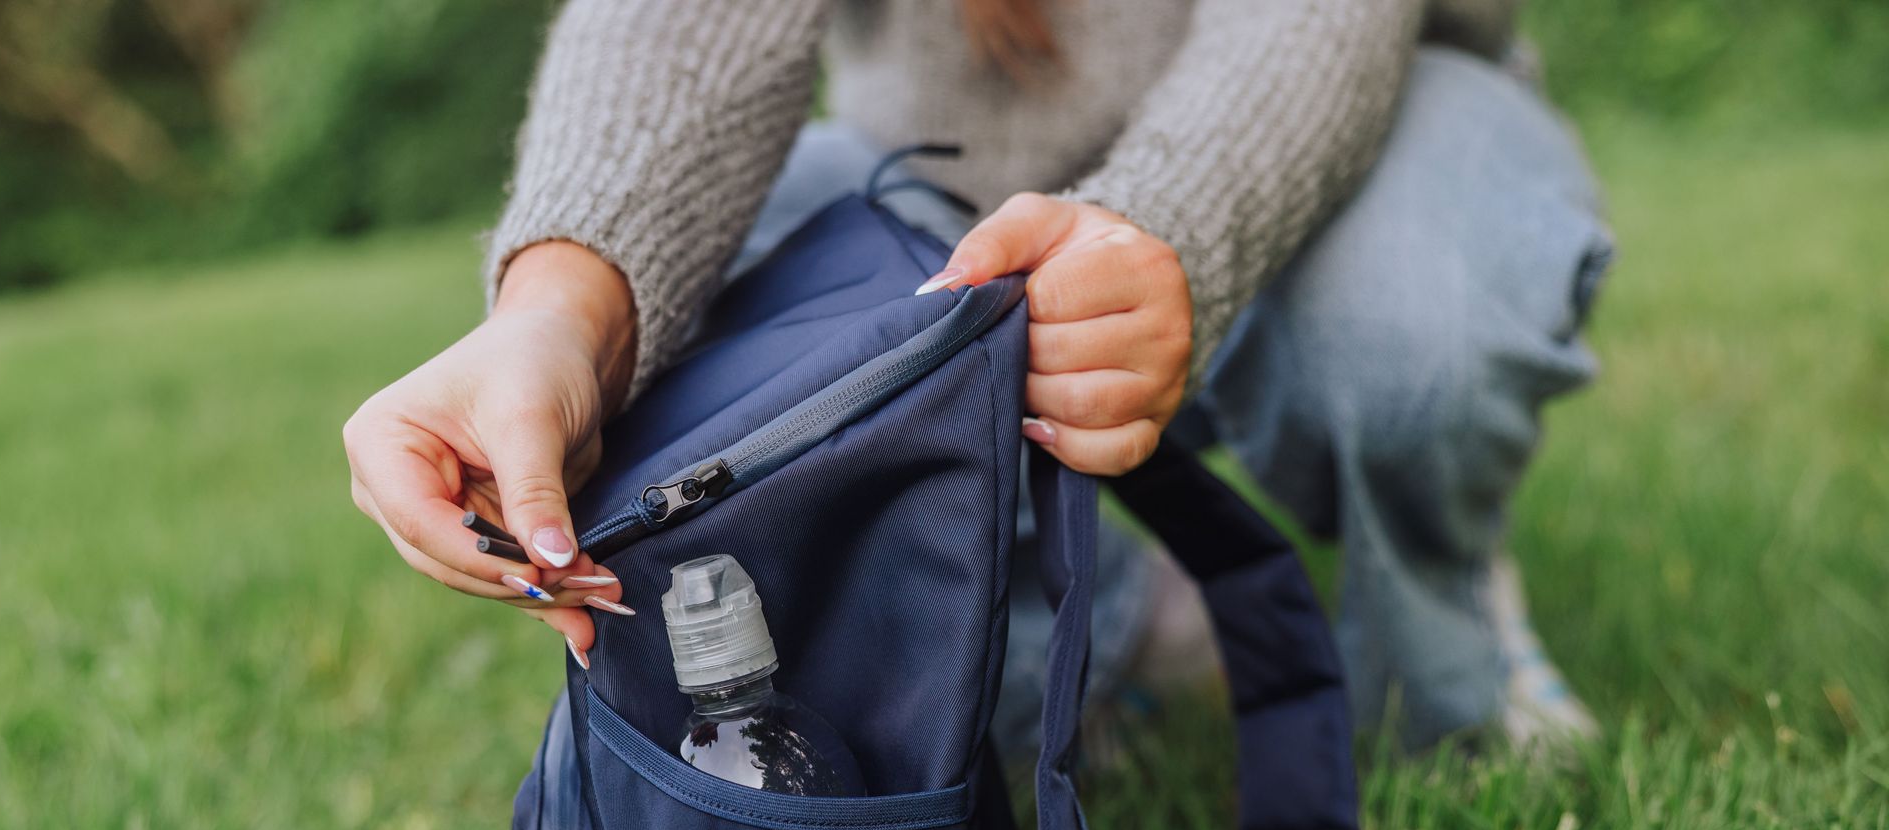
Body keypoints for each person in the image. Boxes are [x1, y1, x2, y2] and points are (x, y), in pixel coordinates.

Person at [343, 0, 1610, 753]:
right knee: (720, 348)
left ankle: (1440, 639)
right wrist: (562, 313)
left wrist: (1165, 223)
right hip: (953, 163)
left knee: (1415, 328)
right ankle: (1108, 633)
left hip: (1369, 106)